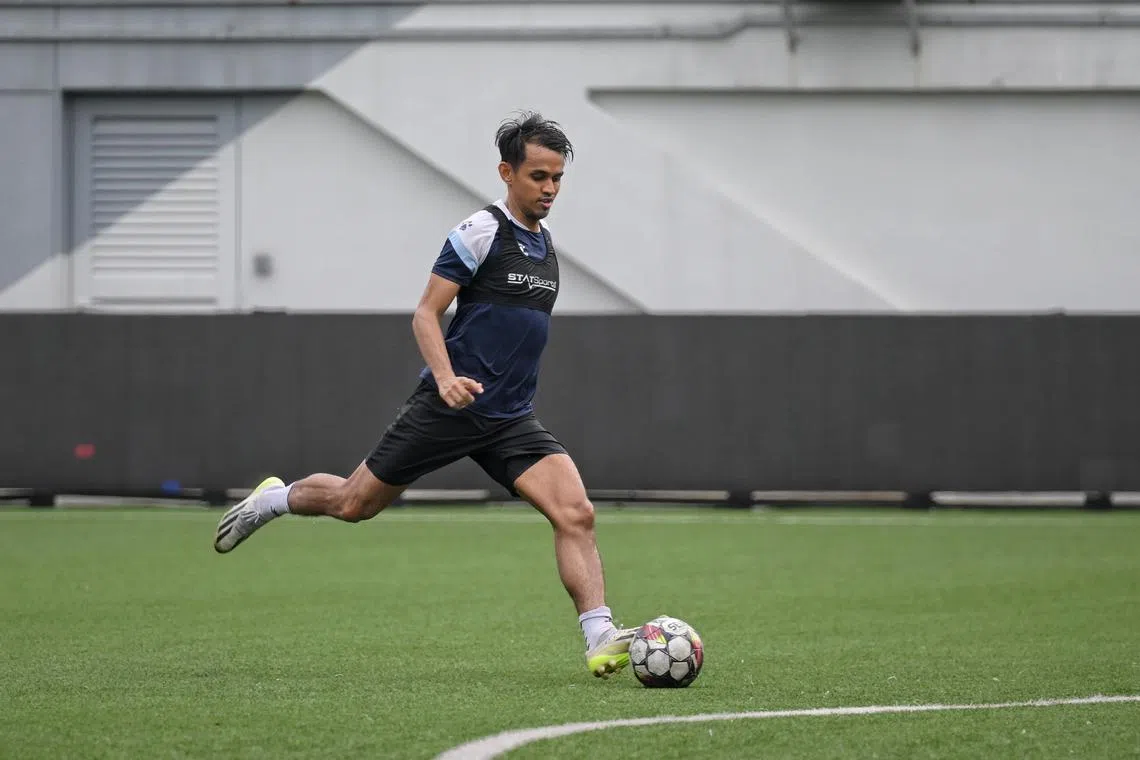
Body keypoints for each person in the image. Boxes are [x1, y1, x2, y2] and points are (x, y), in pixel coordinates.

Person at [212, 111, 636, 678]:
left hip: (509, 417)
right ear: (506, 172)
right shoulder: (481, 232)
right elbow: (426, 314)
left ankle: (599, 635)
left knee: (576, 513)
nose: (550, 189)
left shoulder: (547, 244)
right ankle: (272, 499)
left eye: (558, 178)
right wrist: (444, 379)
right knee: (352, 503)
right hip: (449, 405)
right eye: (538, 176)